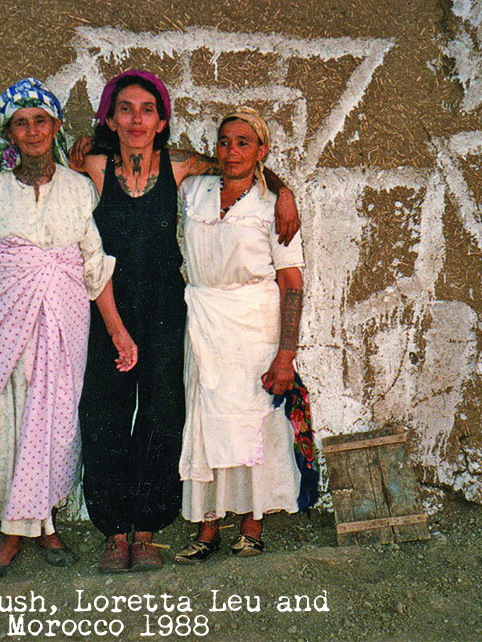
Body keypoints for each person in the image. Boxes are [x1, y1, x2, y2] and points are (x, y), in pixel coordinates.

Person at [0, 70, 301, 573]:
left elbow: (240, 163)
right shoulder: (91, 167)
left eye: (146, 109)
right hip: (104, 306)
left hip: (166, 306)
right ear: (110, 118)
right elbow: (27, 156)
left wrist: (284, 188)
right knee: (105, 413)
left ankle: (147, 529)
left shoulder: (180, 166)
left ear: (161, 119)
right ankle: (114, 531)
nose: (136, 119)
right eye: (125, 109)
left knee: (163, 411)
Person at [0, 78, 137, 579]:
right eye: (21, 123)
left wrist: (116, 331)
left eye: (41, 121)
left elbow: (93, 264)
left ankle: (45, 523)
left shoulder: (77, 188)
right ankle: (11, 533)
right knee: (12, 421)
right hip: (8, 324)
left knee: (52, 422)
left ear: (54, 127)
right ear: (8, 133)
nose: (32, 132)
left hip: (63, 322)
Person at [173, 107, 304, 563]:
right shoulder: (193, 191)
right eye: (224, 141)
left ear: (262, 151)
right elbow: (160, 156)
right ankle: (207, 526)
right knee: (206, 418)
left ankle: (252, 524)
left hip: (255, 324)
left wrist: (285, 355)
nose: (232, 151)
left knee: (255, 421)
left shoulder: (273, 209)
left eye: (244, 142)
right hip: (204, 318)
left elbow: (292, 283)